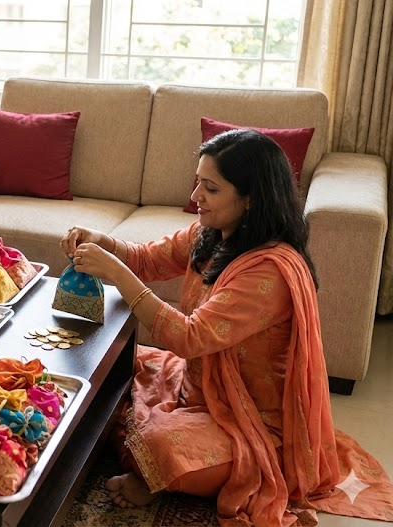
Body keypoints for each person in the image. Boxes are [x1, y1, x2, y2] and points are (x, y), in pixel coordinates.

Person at [60, 129, 392, 525]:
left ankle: (160, 472)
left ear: (250, 198)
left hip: (249, 418)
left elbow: (189, 337)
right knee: (108, 365)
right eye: (198, 181)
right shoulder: (213, 232)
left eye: (211, 188)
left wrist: (116, 274)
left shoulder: (268, 272)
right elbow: (147, 259)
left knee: (158, 443)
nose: (195, 196)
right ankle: (152, 450)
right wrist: (104, 242)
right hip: (198, 386)